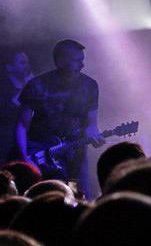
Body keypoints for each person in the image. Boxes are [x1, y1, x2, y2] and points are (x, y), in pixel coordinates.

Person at [13, 40, 103, 196]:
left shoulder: (89, 86)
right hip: (42, 155)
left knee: (76, 198)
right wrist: (25, 159)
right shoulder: (37, 85)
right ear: (61, 62)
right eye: (76, 60)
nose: (82, 65)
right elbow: (21, 125)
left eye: (82, 60)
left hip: (75, 156)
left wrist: (95, 135)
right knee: (50, 198)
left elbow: (91, 125)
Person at [1, 50, 33, 161]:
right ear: (10, 67)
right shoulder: (3, 87)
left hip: (29, 147)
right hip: (7, 149)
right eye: (22, 63)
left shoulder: (33, 88)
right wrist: (25, 87)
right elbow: (5, 114)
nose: (27, 66)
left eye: (28, 63)